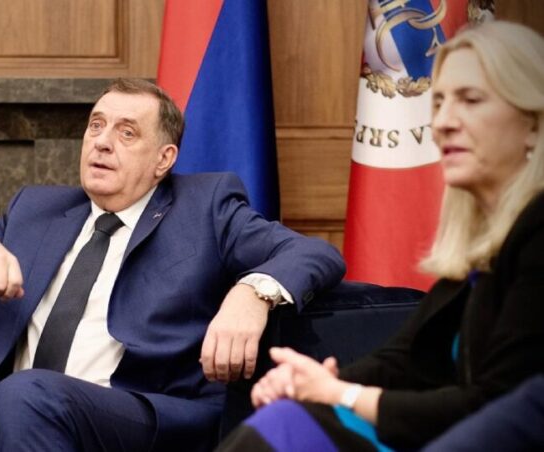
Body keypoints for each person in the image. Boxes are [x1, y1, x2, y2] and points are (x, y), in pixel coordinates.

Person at [0, 78, 345, 451]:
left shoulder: (205, 207)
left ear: (163, 160)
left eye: (127, 132)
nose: (103, 142)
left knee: (27, 391)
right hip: (12, 416)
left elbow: (315, 253)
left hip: (141, 415)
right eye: (96, 125)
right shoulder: (36, 211)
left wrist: (250, 294)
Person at [217, 21, 544, 451]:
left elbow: (499, 406)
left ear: (533, 123)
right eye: (439, 102)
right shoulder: (479, 247)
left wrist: (342, 395)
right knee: (287, 419)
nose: (444, 123)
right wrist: (312, 382)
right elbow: (403, 361)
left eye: (470, 100)